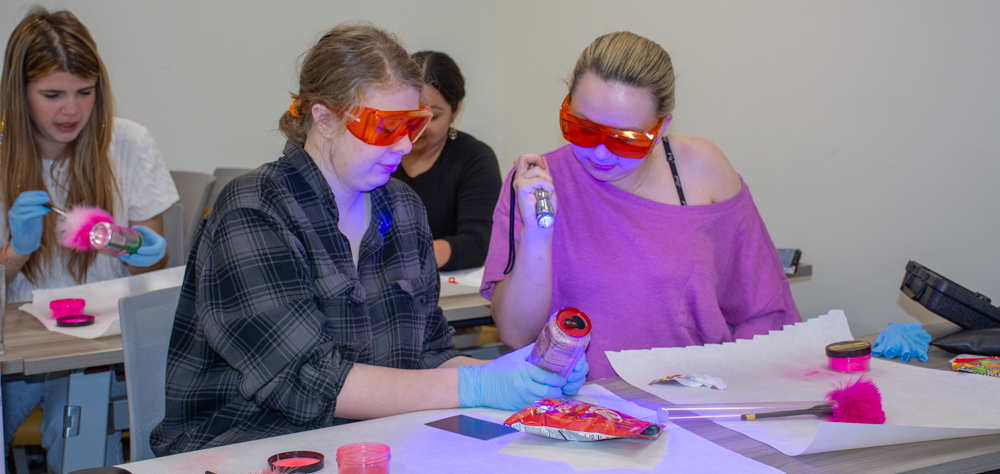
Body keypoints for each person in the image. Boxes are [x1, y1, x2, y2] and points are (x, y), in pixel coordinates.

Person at [150, 23, 586, 456]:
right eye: (385, 127)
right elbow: (311, 383)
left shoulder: (403, 207)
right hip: (247, 446)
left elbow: (429, 356)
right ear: (324, 118)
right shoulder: (253, 210)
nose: (404, 146)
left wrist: (525, 374)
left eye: (413, 124)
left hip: (375, 441)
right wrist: (476, 384)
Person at [481, 31, 801, 380]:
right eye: (583, 129)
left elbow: (763, 309)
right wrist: (537, 234)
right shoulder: (537, 184)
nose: (600, 153)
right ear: (566, 106)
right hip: (578, 403)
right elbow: (516, 335)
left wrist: (735, 389)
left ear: (661, 128)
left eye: (626, 140)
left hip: (690, 398)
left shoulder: (701, 172)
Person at [0, 7, 179, 473]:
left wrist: (139, 250)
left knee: (79, 415)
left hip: (97, 346)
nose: (72, 110)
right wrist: (16, 252)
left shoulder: (129, 144)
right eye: (52, 95)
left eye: (85, 92)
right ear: (18, 94)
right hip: (17, 349)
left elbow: (147, 268)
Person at [391, 51, 501, 271]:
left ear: (456, 110)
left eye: (431, 117)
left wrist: (402, 257)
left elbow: (478, 244)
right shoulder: (380, 153)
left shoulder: (474, 159)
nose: (416, 129)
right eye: (409, 116)